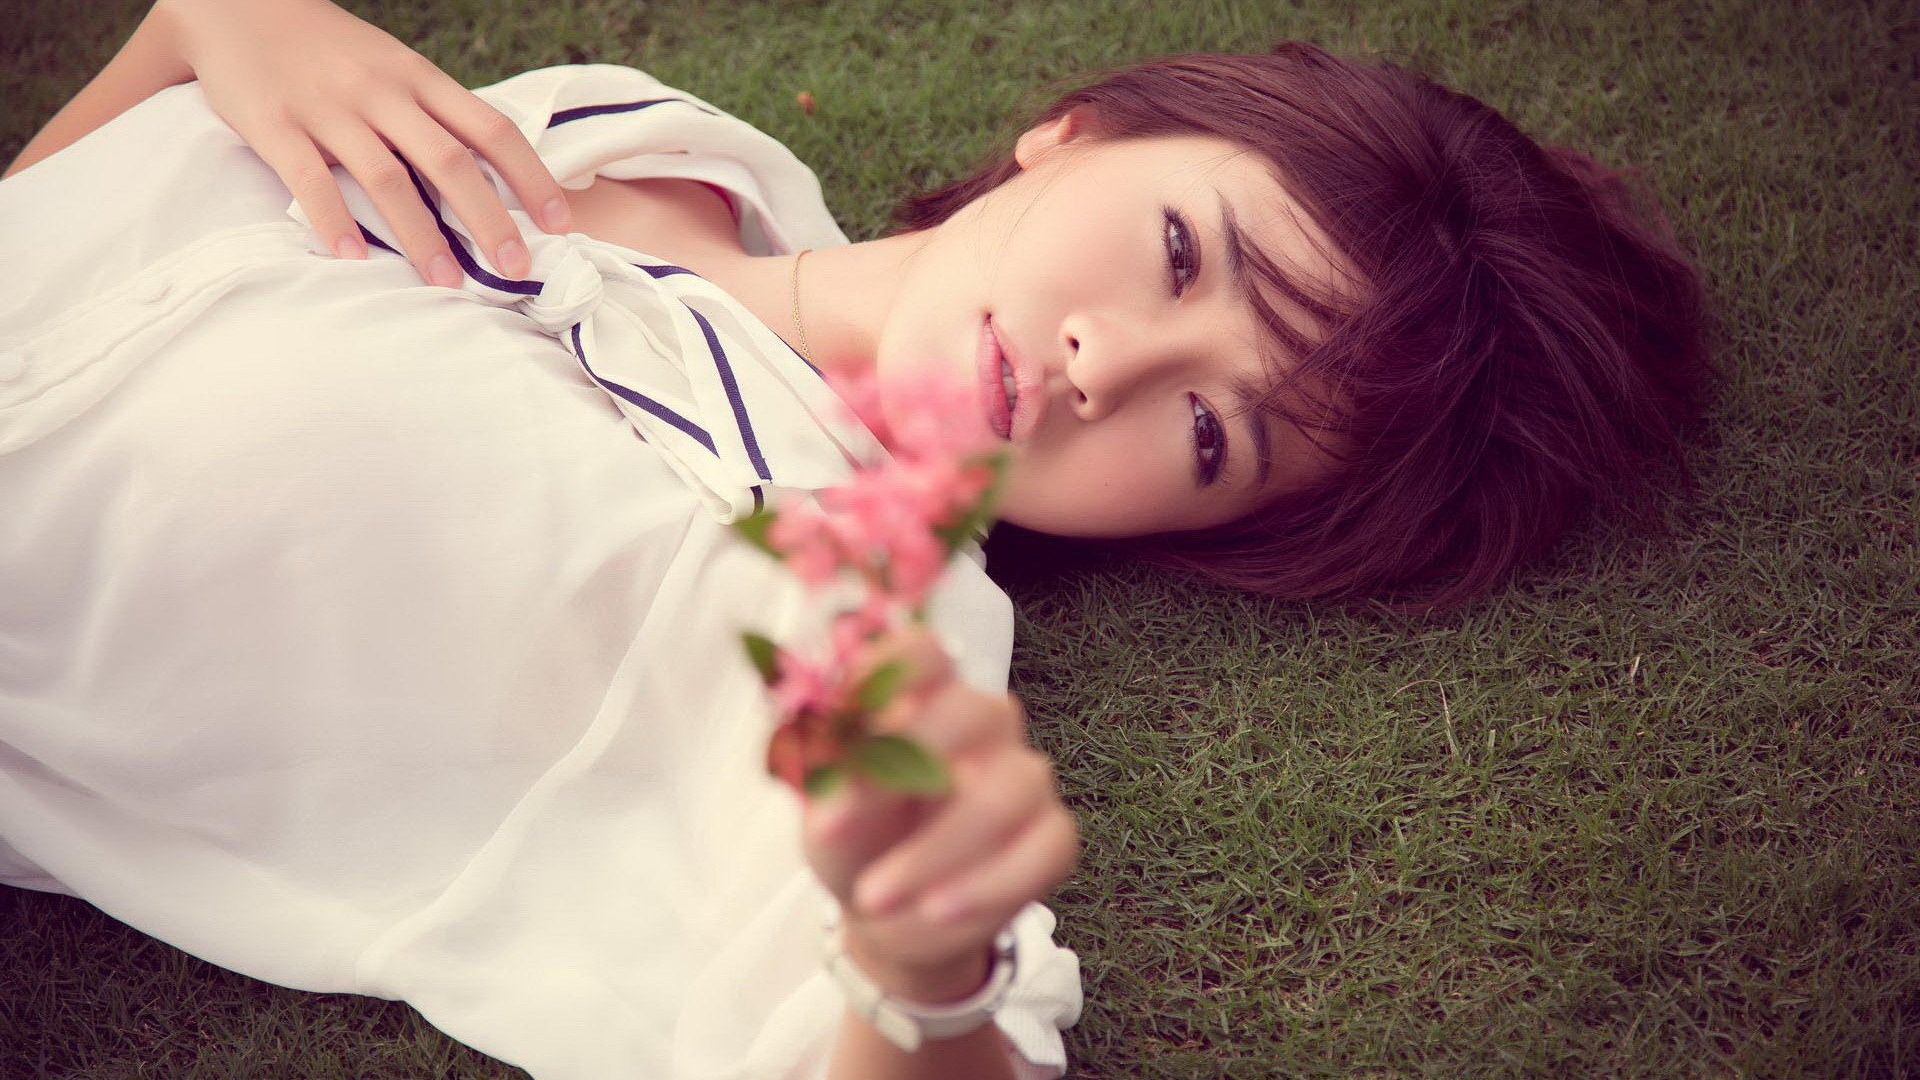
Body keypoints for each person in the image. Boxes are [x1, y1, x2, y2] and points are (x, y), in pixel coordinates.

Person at [0, 1, 1711, 1078]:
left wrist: (923, 974)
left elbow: (903, 1019)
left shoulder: (853, 617)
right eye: (1183, 255)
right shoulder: (630, 130)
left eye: (1211, 436)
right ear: (1081, 133)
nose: (1107, 362)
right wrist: (209, 26)